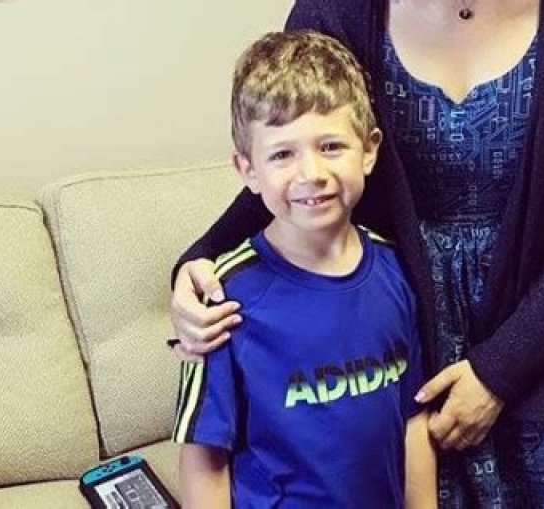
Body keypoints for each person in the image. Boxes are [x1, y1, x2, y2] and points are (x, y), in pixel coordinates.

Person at [170, 0, 544, 506]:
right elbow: (296, 157)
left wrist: (500, 371)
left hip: (543, 332)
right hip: (402, 329)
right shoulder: (334, 12)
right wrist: (199, 260)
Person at [172, 30, 437, 509]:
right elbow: (203, 458)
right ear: (248, 170)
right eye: (282, 154)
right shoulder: (223, 299)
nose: (311, 173)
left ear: (369, 150)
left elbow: (414, 422)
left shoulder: (399, 271)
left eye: (331, 146)